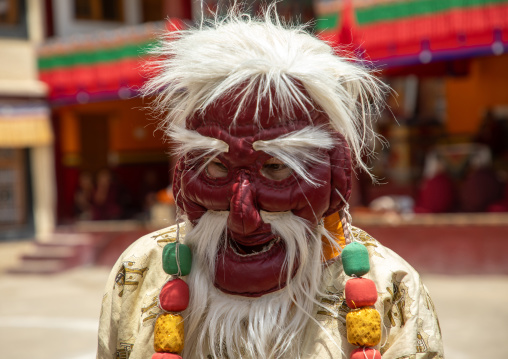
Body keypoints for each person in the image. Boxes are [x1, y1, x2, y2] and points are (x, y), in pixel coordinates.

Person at [97, 6, 443, 359]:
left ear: (336, 178)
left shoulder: (391, 288)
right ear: (183, 175)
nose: (242, 215)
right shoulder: (141, 272)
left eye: (276, 168)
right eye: (217, 167)